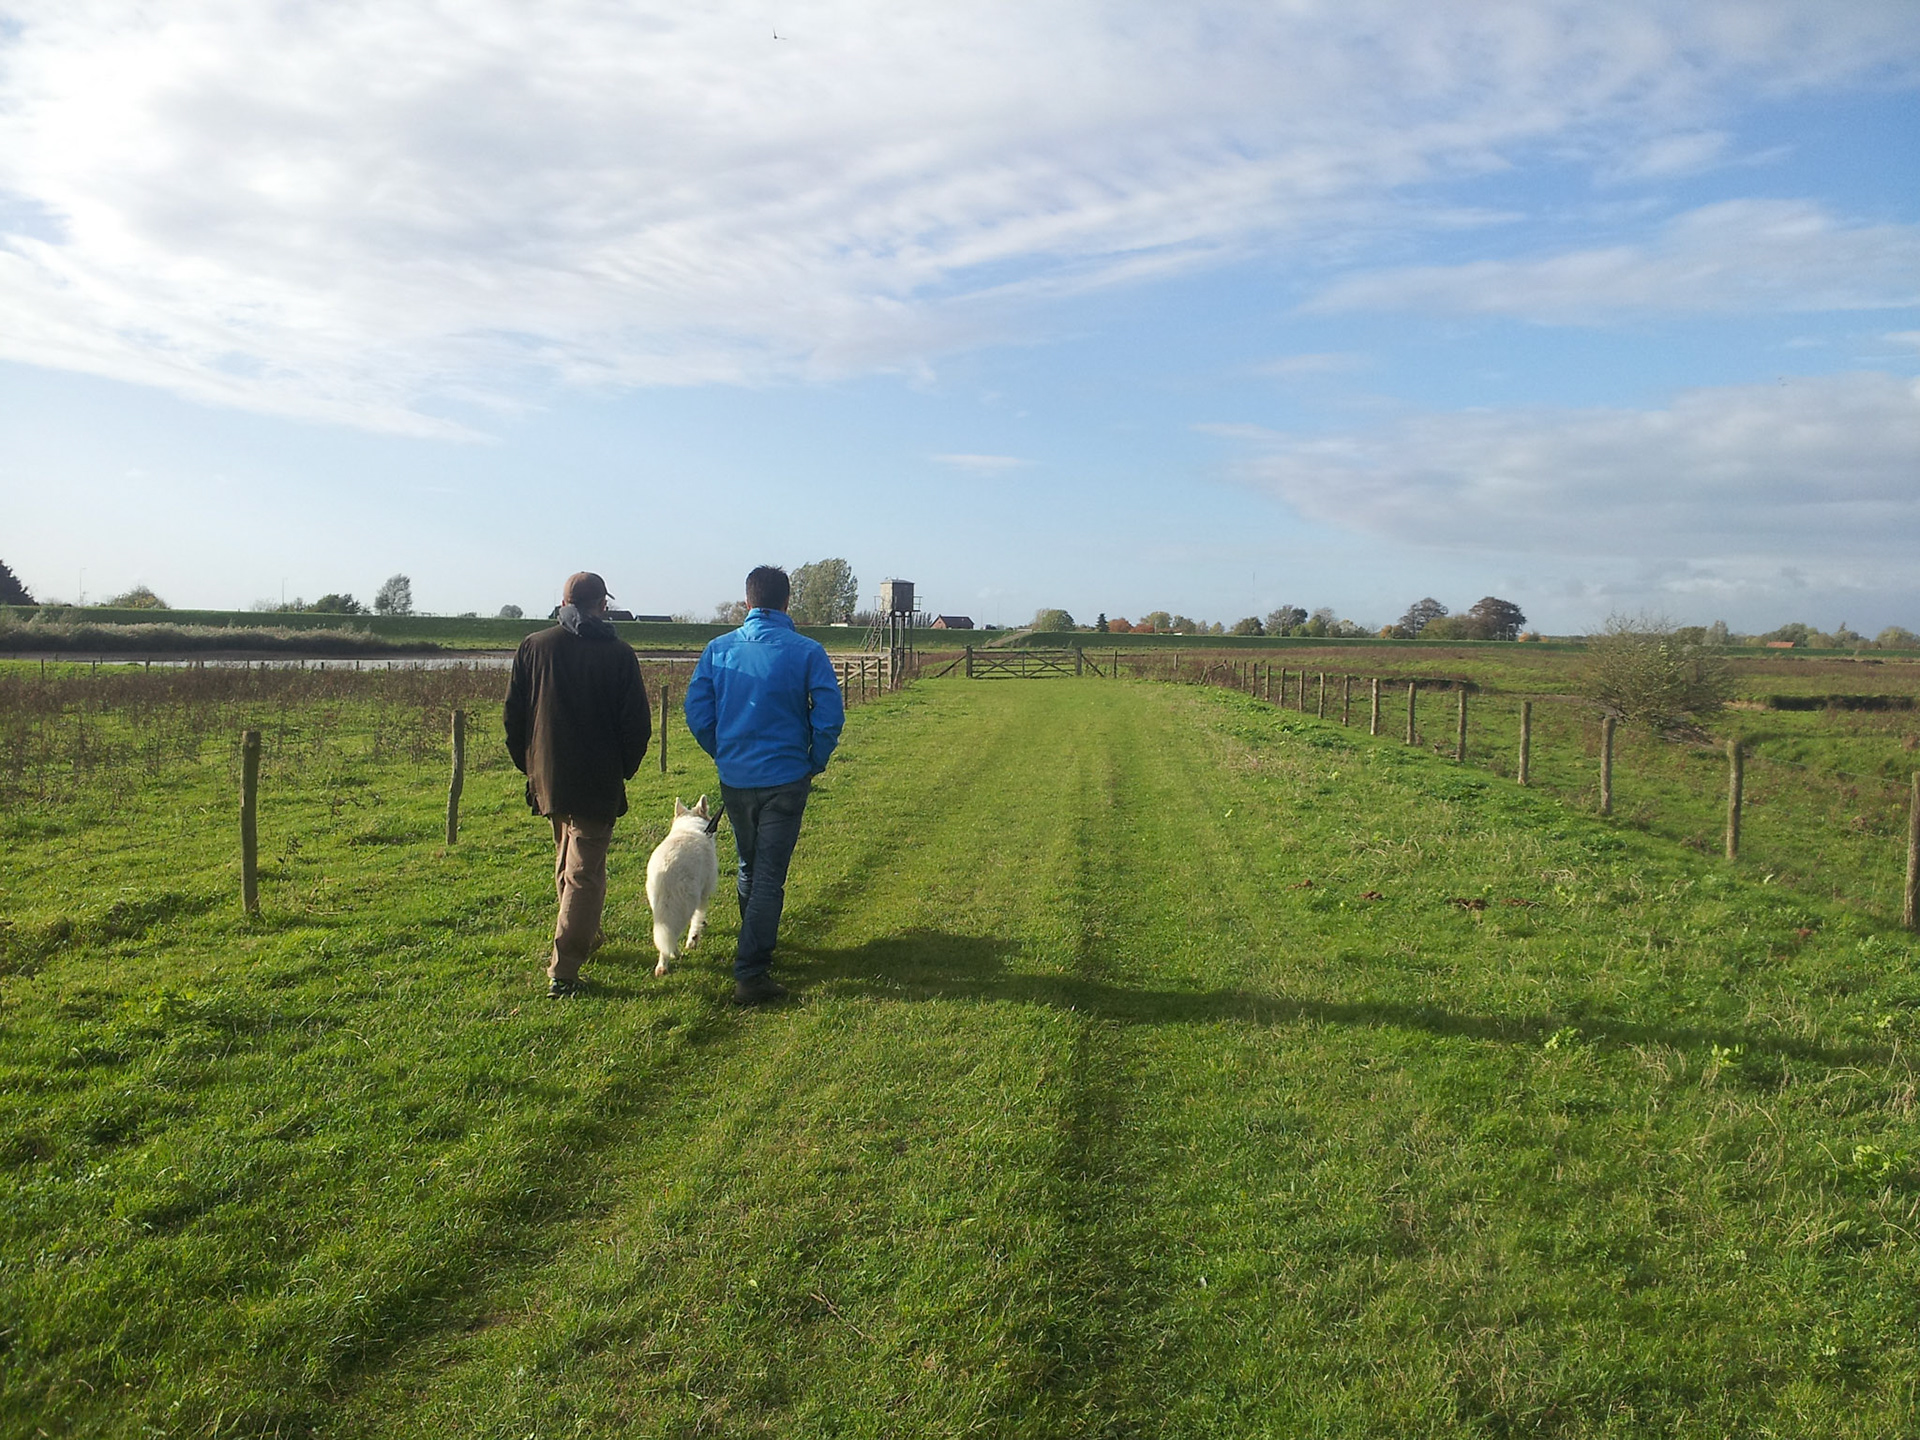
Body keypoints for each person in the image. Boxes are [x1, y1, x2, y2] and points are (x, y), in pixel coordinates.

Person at [684, 565, 845, 1004]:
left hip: (736, 779)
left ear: (747, 602)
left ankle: (754, 943)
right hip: (786, 778)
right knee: (768, 875)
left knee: (749, 865)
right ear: (787, 603)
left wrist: (723, 750)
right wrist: (814, 759)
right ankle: (751, 971)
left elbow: (697, 711)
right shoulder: (808, 651)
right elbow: (830, 714)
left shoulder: (719, 650)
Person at [504, 571, 652, 998]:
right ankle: (564, 970)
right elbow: (636, 726)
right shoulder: (620, 654)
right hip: (596, 778)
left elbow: (515, 716)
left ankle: (586, 935)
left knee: (568, 862)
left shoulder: (534, 646)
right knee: (585, 873)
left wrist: (531, 767)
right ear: (602, 604)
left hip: (549, 776)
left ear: (564, 600)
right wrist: (623, 768)